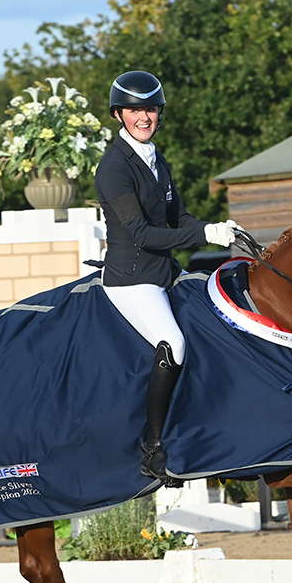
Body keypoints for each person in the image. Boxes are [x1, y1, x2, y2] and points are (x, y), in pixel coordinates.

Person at [94, 70, 238, 484]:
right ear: (119, 114)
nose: (144, 117)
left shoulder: (158, 161)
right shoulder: (114, 168)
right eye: (136, 110)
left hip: (165, 272)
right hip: (132, 278)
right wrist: (201, 234)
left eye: (151, 110)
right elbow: (140, 232)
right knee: (172, 342)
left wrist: (215, 227)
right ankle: (152, 448)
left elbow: (178, 219)